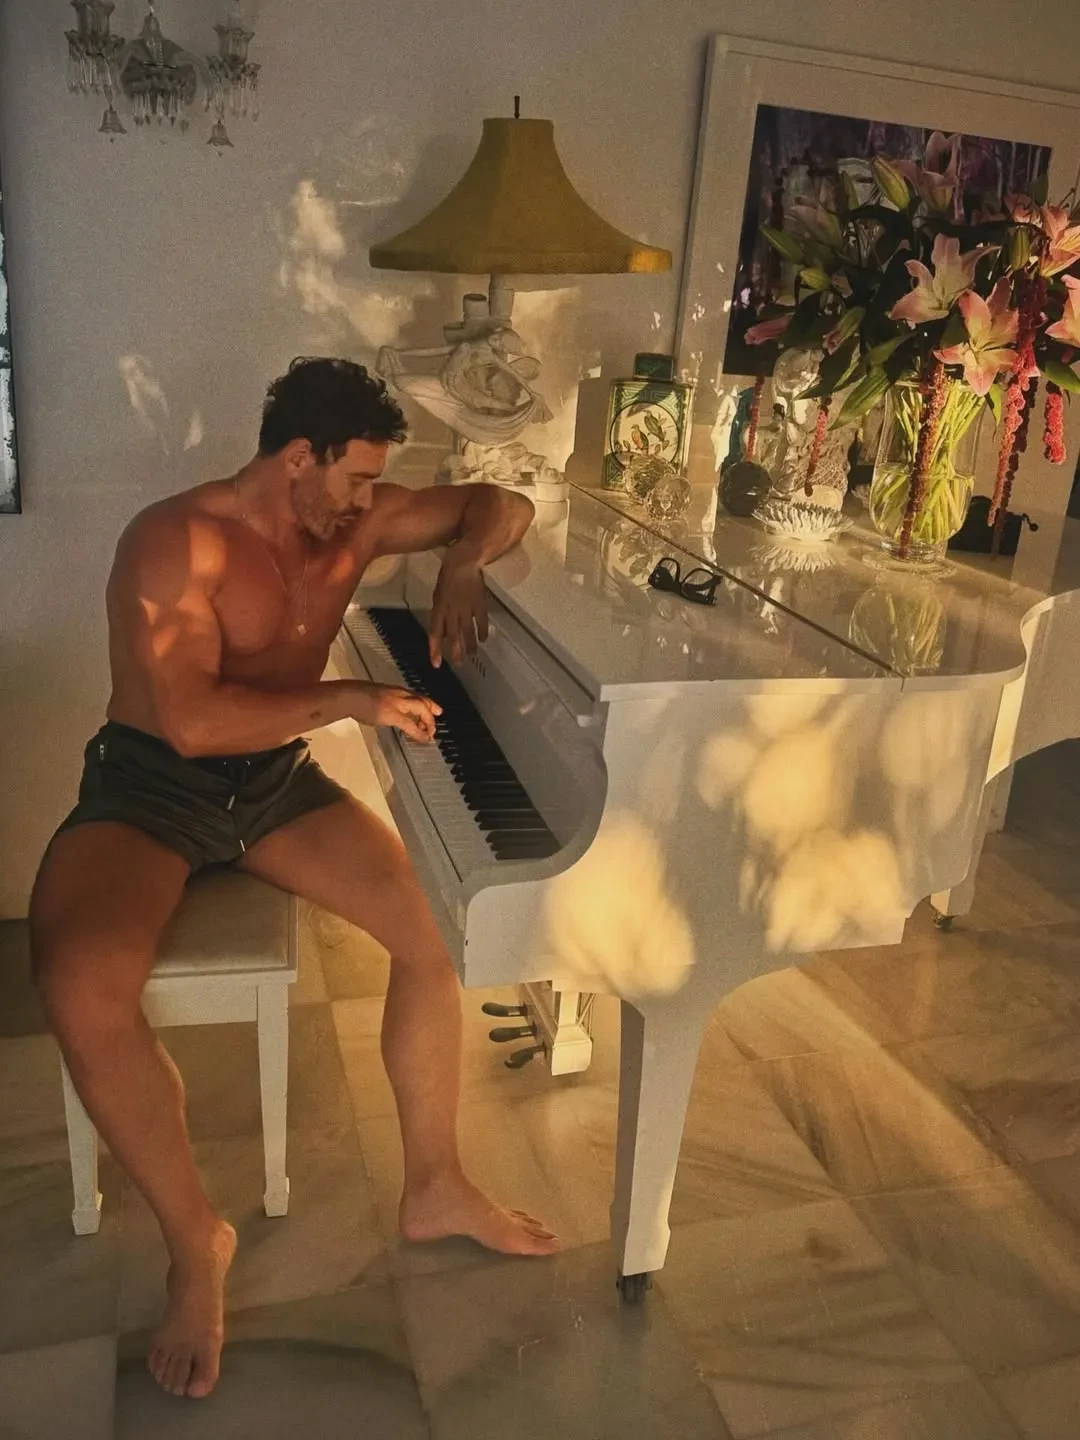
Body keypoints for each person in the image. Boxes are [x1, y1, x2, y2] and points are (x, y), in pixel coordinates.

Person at [29, 357, 558, 1402]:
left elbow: (503, 503)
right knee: (80, 986)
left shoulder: (358, 519)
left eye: (376, 483)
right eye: (356, 479)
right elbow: (191, 722)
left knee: (434, 930)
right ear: (298, 458)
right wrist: (354, 699)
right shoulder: (176, 539)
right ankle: (197, 1242)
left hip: (271, 787)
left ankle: (436, 1186)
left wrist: (463, 563)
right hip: (152, 788)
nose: (370, 503)